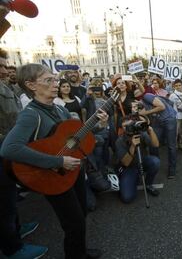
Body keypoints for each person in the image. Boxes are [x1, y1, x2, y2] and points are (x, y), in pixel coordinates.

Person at [1, 63, 107, 259]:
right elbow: (9, 148)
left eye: (55, 79)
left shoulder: (59, 110)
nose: (55, 84)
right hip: (52, 175)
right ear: (31, 85)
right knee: (73, 222)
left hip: (72, 170)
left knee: (81, 215)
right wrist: (57, 162)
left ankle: (80, 251)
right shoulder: (30, 114)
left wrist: (99, 124)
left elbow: (78, 135)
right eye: (48, 80)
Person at [0, 51, 47, 258]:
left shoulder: (5, 86)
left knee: (9, 196)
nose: (4, 70)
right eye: (0, 66)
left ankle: (16, 229)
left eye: (4, 65)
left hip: (10, 150)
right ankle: (12, 249)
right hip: (4, 148)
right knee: (3, 203)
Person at [115, 114, 160, 203]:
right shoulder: (119, 141)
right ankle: (133, 179)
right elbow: (126, 163)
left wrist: (150, 130)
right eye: (125, 126)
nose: (128, 127)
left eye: (130, 125)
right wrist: (132, 146)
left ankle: (148, 184)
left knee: (155, 162)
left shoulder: (141, 134)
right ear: (122, 128)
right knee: (127, 198)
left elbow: (156, 145)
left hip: (142, 161)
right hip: (129, 168)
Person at [134, 88, 177, 179]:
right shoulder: (139, 106)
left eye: (137, 95)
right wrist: (140, 114)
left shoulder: (147, 96)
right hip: (158, 121)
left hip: (169, 119)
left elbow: (162, 107)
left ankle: (172, 169)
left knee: (171, 145)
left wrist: (146, 112)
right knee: (153, 143)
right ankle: (155, 164)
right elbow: (148, 120)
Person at [169, 79, 182, 152]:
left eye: (179, 85)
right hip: (177, 116)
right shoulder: (172, 95)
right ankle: (175, 146)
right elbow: (171, 107)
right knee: (176, 132)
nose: (178, 87)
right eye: (176, 86)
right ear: (174, 87)